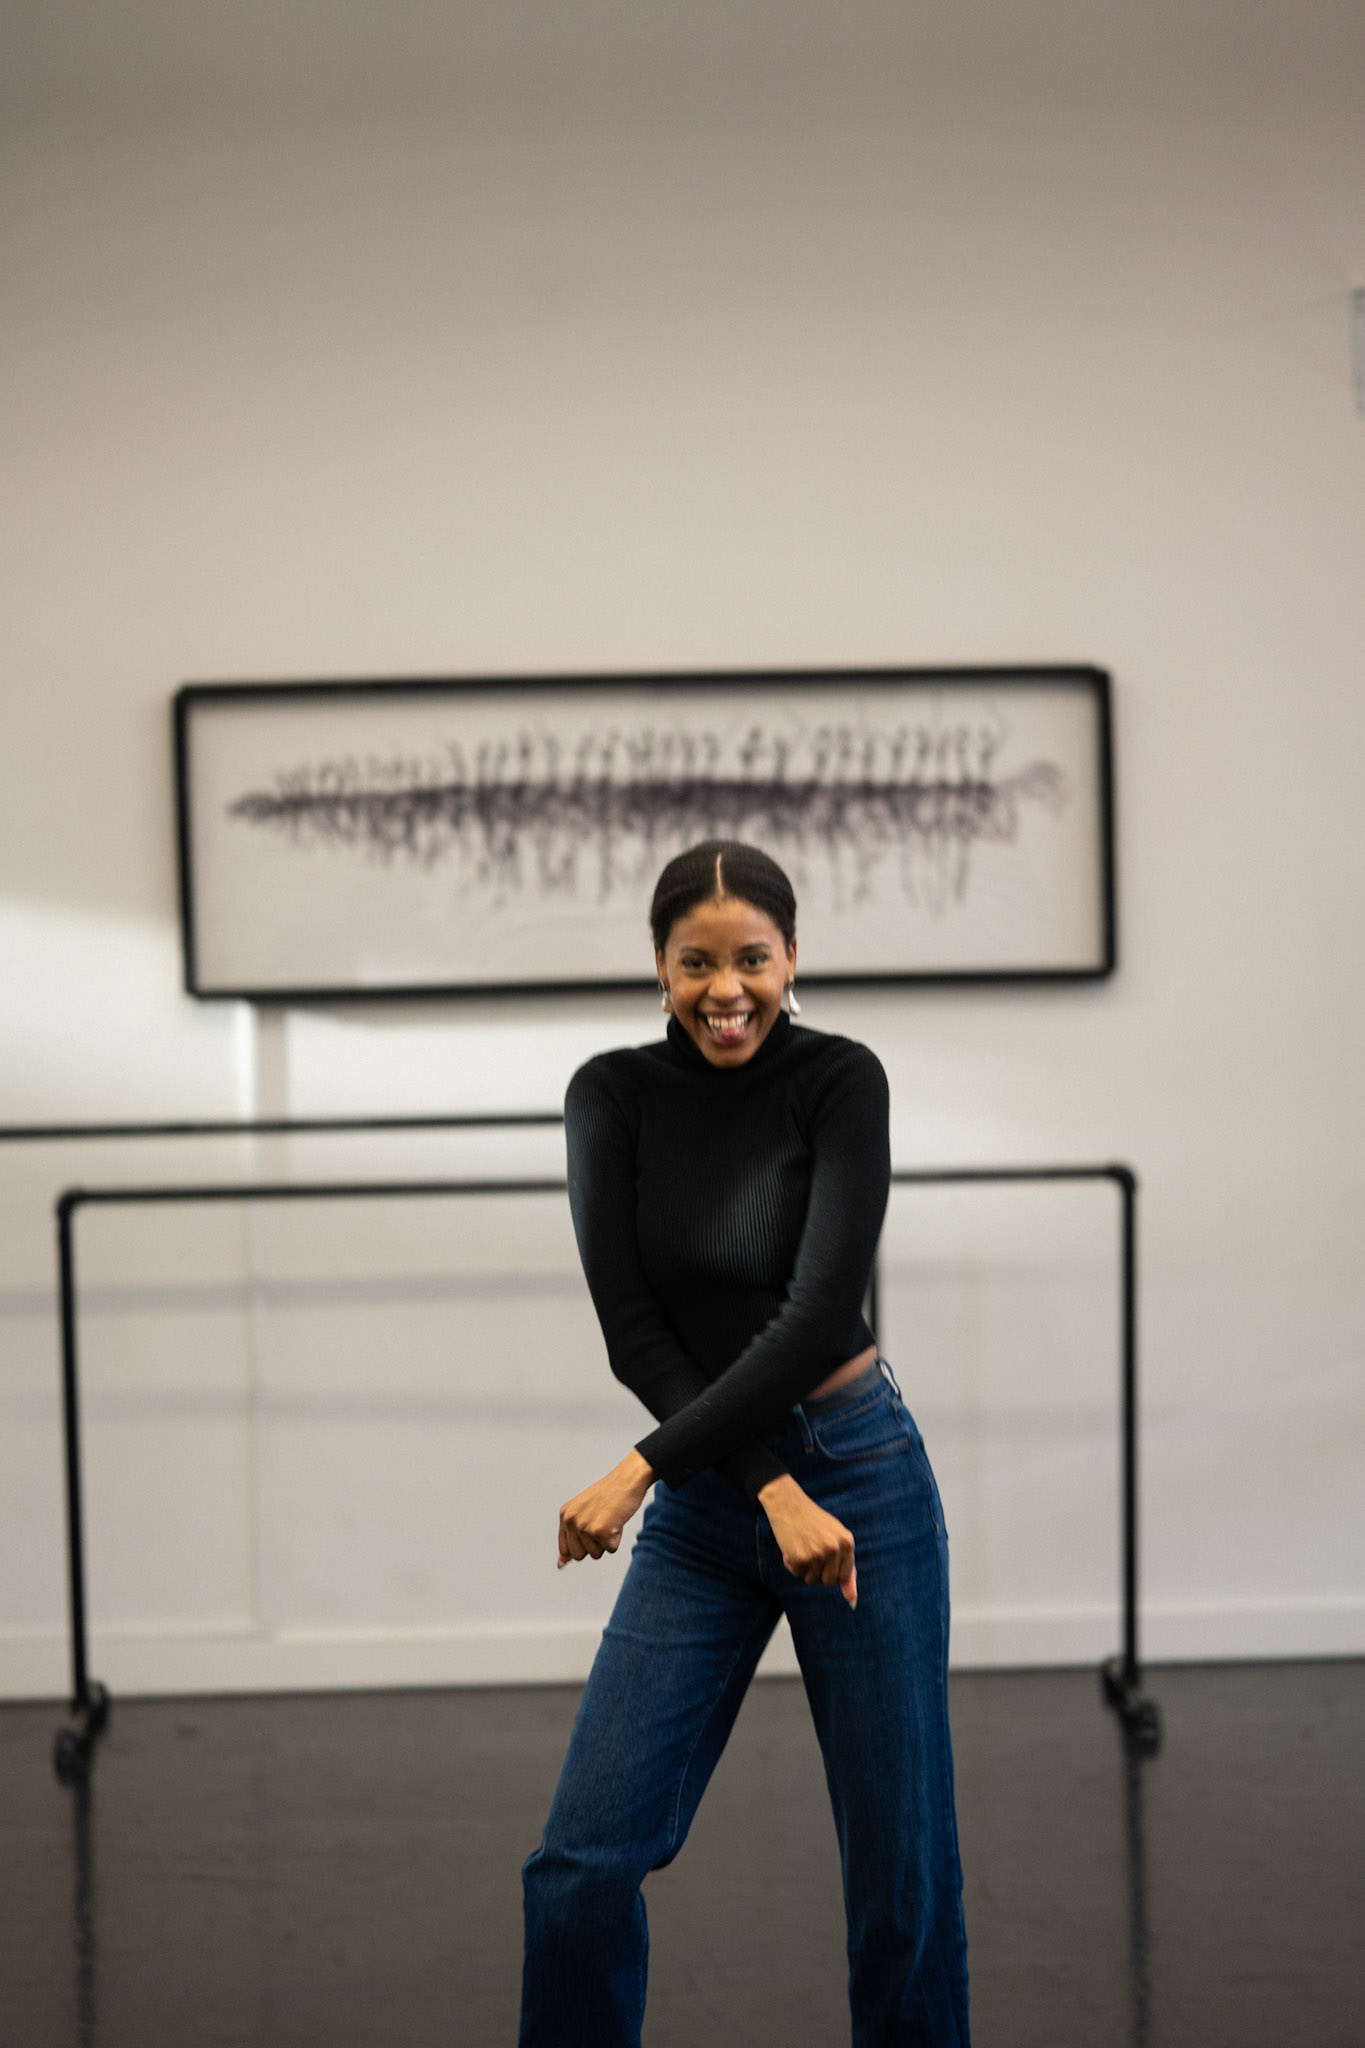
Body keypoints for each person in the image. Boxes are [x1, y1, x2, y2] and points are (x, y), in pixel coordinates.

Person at [519, 839, 970, 2047]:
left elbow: (819, 1310)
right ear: (659, 967)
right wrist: (762, 1482)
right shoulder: (608, 1094)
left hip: (857, 1477)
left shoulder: (840, 1080)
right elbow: (635, 1328)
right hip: (725, 1505)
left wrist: (636, 1469)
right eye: (696, 961)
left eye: (753, 958)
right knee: (582, 1860)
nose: (728, 988)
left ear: (792, 956)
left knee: (899, 1872)